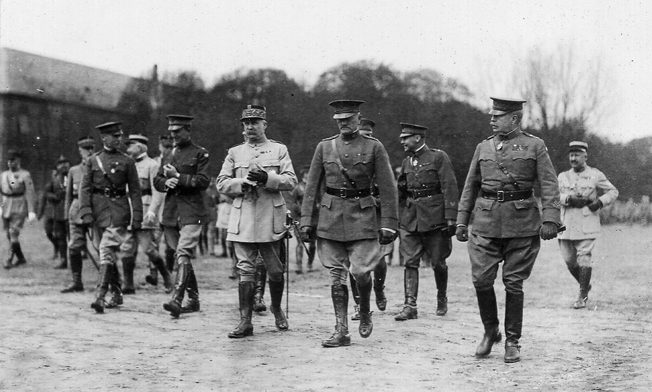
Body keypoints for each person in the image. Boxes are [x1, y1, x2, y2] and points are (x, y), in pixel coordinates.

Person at [455, 97, 562, 363]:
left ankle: (512, 341)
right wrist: (461, 220)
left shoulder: (535, 146)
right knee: (481, 280)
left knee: (513, 283)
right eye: (492, 115)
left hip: (522, 224)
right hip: (485, 223)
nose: (492, 119)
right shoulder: (483, 147)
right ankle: (491, 331)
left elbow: (549, 184)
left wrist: (550, 219)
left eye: (498, 116)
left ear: (514, 118)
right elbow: (470, 186)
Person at [300, 100, 398, 347]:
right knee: (336, 276)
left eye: (348, 119)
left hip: (362, 216)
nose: (343, 124)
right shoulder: (324, 147)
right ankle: (341, 329)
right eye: (339, 120)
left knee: (361, 272)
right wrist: (306, 222)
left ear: (358, 118)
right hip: (330, 217)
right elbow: (311, 188)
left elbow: (388, 189)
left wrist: (388, 223)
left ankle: (364, 309)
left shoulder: (374, 147)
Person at [217, 104, 297, 338]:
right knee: (245, 270)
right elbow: (221, 182)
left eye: (255, 122)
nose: (250, 126)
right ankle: (245, 321)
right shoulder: (234, 152)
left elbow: (291, 181)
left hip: (271, 217)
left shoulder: (279, 149)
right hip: (244, 217)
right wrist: (241, 184)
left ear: (265, 125)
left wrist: (267, 178)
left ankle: (276, 308)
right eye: (246, 123)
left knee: (275, 271)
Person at [394, 122, 459, 321]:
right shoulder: (406, 162)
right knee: (410, 262)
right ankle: (410, 306)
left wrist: (450, 218)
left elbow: (450, 186)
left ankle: (441, 297)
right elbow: (401, 191)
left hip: (435, 219)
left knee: (438, 262)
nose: (402, 141)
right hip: (411, 218)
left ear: (418, 138)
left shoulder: (439, 157)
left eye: (405, 137)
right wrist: (397, 215)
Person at [79, 122, 143, 313]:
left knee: (106, 250)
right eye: (114, 136)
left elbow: (135, 191)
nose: (119, 139)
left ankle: (99, 296)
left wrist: (137, 216)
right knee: (105, 254)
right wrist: (86, 212)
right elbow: (85, 189)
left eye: (120, 136)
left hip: (118, 212)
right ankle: (116, 293)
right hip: (98, 213)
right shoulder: (93, 160)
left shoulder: (127, 161)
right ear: (104, 138)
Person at [154, 115, 210, 318]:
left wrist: (177, 177)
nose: (173, 135)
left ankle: (177, 299)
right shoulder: (169, 153)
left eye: (177, 131)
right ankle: (193, 300)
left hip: (192, 211)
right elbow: (157, 179)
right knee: (180, 255)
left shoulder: (200, 153)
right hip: (171, 213)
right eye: (171, 131)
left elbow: (203, 181)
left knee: (183, 252)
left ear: (188, 130)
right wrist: (165, 183)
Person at [557, 141, 618, 309]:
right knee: (569, 261)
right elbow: (553, 195)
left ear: (585, 156)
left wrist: (599, 203)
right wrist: (568, 199)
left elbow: (613, 191)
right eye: (571, 155)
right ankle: (585, 284)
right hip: (566, 224)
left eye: (577, 155)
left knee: (584, 257)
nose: (573, 158)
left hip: (586, 222)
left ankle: (582, 295)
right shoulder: (562, 176)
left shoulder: (595, 175)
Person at [120, 134, 172, 294]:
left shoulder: (152, 165)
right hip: (129, 211)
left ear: (140, 146)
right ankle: (128, 284)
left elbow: (158, 192)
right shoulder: (127, 164)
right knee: (127, 247)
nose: (128, 147)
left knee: (148, 248)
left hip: (144, 211)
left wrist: (152, 211)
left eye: (131, 144)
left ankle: (167, 278)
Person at [349, 118, 389, 320]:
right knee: (353, 263)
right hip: (351, 216)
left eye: (370, 135)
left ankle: (379, 288)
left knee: (378, 259)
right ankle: (359, 305)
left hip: (375, 216)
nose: (367, 139)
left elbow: (389, 190)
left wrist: (376, 200)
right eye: (363, 135)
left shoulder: (378, 155)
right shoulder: (344, 155)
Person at [61, 136, 95, 292]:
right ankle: (77, 281)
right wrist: (66, 214)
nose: (88, 152)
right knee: (74, 246)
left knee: (102, 248)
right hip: (75, 212)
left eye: (91, 149)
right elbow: (68, 195)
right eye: (85, 149)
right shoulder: (73, 171)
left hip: (95, 211)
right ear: (80, 151)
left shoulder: (99, 168)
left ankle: (113, 281)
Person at [1, 150, 37, 269]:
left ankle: (8, 259)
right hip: (6, 206)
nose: (10, 163)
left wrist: (31, 210)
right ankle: (21, 258)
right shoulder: (3, 175)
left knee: (13, 232)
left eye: (13, 160)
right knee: (9, 234)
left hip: (19, 205)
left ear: (18, 160)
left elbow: (30, 193)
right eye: (9, 161)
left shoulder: (25, 174)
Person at [38, 155, 70, 269]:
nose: (63, 166)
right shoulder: (55, 180)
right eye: (60, 164)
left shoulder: (75, 176)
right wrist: (54, 196)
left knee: (75, 238)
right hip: (59, 212)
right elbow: (46, 193)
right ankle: (63, 260)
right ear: (57, 167)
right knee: (60, 237)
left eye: (66, 163)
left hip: (73, 211)